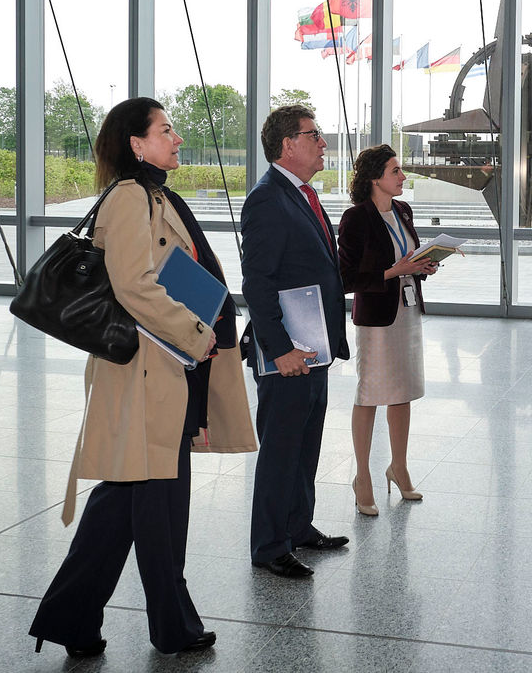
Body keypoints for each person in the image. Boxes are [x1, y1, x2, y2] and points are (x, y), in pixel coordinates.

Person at [28, 97, 256, 657]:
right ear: (136, 143)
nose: (177, 138)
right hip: (148, 369)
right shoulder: (131, 199)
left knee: (126, 499)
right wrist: (197, 332)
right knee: (158, 501)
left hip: (161, 368)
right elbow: (134, 286)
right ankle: (171, 625)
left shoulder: (156, 195)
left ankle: (72, 618)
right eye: (166, 129)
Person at [241, 105, 351, 578]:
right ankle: (269, 546)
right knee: (282, 448)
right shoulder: (267, 199)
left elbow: (322, 266)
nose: (323, 143)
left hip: (316, 345)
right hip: (289, 349)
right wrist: (280, 348)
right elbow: (257, 282)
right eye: (315, 135)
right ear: (288, 144)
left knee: (306, 443)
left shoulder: (304, 194)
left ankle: (298, 526)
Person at [338, 144, 437, 515]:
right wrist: (397, 271)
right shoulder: (356, 219)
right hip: (377, 319)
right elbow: (347, 278)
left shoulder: (403, 210)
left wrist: (423, 266)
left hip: (406, 312)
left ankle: (398, 466)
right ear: (375, 177)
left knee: (403, 391)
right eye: (396, 171)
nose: (403, 177)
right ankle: (362, 476)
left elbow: (408, 256)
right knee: (370, 394)